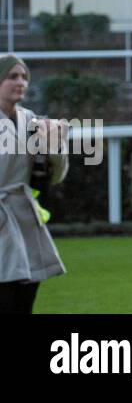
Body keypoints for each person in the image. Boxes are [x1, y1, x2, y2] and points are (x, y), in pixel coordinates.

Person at [0, 54, 69, 313]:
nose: (21, 82)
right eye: (12, 76)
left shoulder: (32, 121)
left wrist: (55, 147)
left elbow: (56, 175)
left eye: (24, 77)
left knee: (24, 302)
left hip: (24, 220)